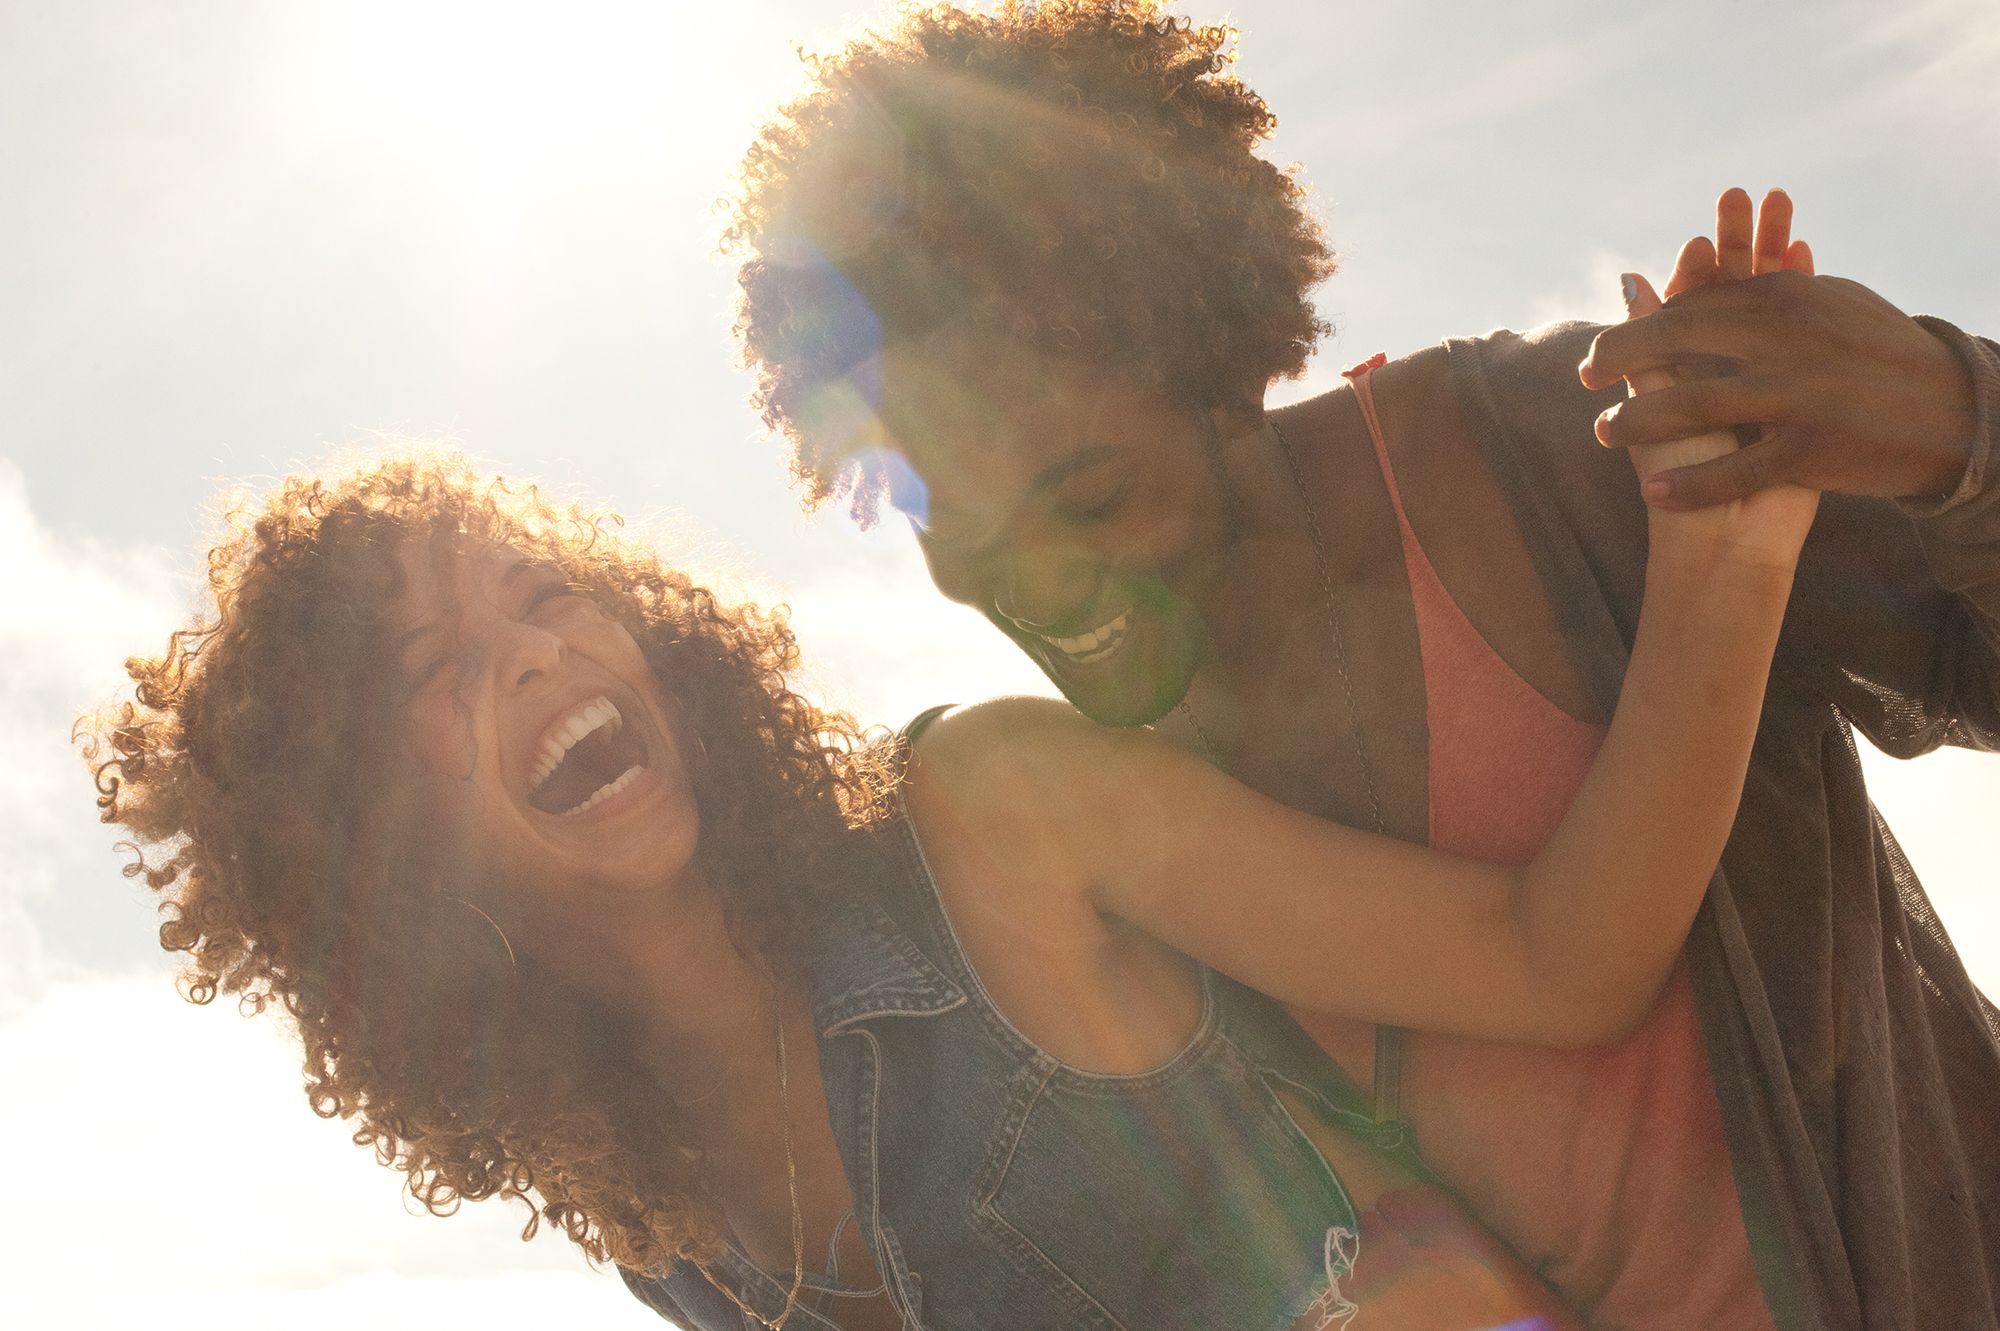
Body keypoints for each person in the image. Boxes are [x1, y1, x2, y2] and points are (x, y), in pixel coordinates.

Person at [723, 3, 2000, 1328]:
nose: (1042, 590)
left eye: (1092, 499)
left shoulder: (1573, 456)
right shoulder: (1089, 835)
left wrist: (1949, 418)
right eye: (967, 543)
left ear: (1219, 364)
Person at [84, 351, 1806, 1331]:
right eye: (438, 673)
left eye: (547, 598)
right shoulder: (655, 1222)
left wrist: (1723, 559)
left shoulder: (994, 816)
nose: (539, 651)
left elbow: (1556, 962)